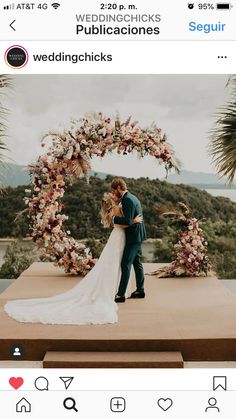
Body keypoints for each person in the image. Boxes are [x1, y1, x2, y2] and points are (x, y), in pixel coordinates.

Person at [4, 188, 142, 325]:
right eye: (112, 195)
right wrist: (134, 221)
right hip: (120, 237)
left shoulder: (117, 207)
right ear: (112, 201)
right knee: (119, 264)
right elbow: (125, 223)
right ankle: (120, 292)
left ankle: (121, 291)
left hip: (119, 238)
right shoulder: (117, 208)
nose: (114, 194)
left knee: (116, 263)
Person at [111, 178, 147, 303]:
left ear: (119, 188)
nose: (114, 193)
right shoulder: (133, 197)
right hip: (137, 235)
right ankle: (140, 290)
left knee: (125, 264)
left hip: (133, 237)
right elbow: (132, 219)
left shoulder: (127, 200)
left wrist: (114, 219)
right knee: (137, 263)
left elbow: (127, 221)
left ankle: (120, 295)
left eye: (115, 190)